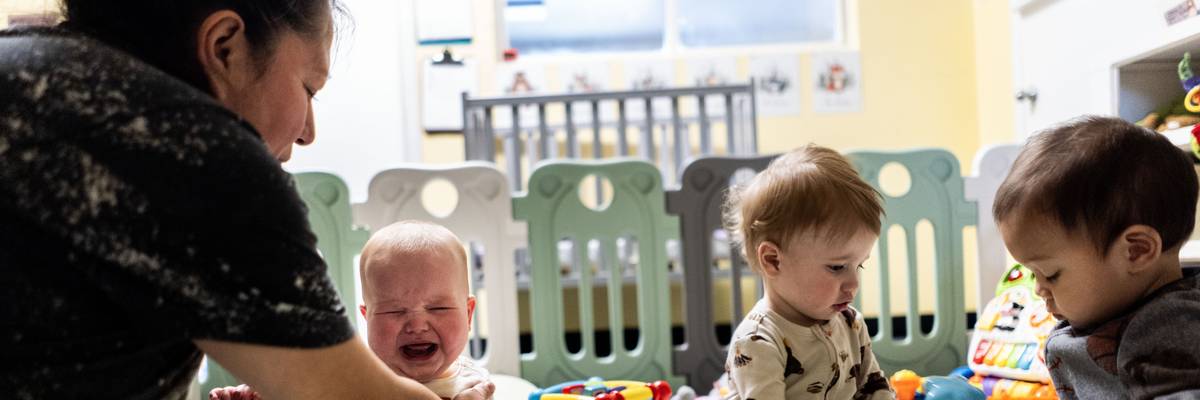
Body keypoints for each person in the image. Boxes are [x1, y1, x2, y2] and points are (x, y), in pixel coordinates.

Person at [0, 1, 491, 399]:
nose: (308, 133)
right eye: (308, 88)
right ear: (225, 46)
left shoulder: (26, 63)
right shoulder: (193, 151)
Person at [994, 116, 1200, 399]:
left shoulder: (1166, 330)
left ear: (1136, 251)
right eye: (1033, 274)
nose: (1039, 290)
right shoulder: (1117, 309)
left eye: (1051, 274)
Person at [211, 221, 491, 400]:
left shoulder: (470, 387)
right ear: (366, 316)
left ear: (468, 314)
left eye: (438, 307)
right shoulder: (351, 378)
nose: (417, 325)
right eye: (395, 311)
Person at [720, 144, 894, 399]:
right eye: (837, 267)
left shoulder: (850, 323)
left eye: (859, 265)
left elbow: (874, 388)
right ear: (773, 261)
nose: (853, 283)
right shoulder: (758, 342)